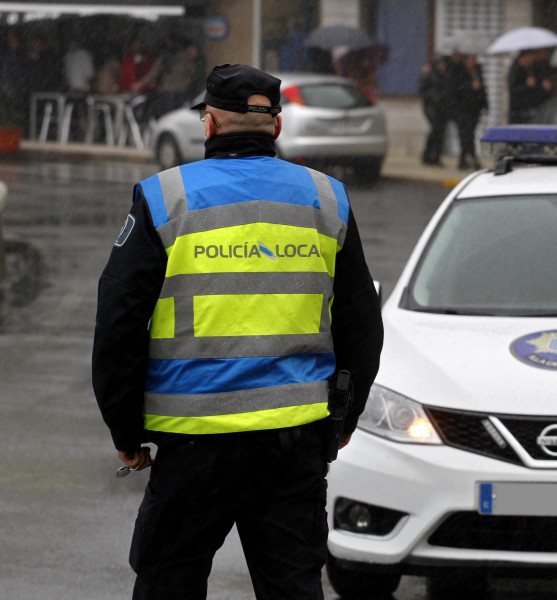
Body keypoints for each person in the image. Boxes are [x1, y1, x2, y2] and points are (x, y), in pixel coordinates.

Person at [92, 63, 384, 600]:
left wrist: (125, 431)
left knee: (168, 582)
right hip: (292, 444)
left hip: (193, 446)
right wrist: (342, 419)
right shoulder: (326, 199)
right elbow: (362, 323)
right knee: (292, 587)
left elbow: (119, 322)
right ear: (275, 127)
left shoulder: (164, 197)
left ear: (208, 125)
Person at [450, 53, 488, 170]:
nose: (473, 61)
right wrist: (470, 87)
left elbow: (483, 90)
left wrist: (486, 105)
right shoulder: (459, 72)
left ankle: (464, 160)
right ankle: (472, 159)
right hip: (462, 109)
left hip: (474, 109)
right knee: (465, 135)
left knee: (469, 134)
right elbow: (455, 89)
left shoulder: (478, 72)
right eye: (471, 59)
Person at [418, 55, 450, 166]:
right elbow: (423, 90)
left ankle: (435, 156)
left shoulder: (446, 75)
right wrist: (434, 97)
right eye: (440, 63)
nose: (442, 66)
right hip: (432, 107)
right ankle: (428, 155)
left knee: (439, 133)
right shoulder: (430, 74)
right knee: (435, 130)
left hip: (442, 108)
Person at [507, 50, 552, 124]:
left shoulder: (533, 69)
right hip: (518, 111)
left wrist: (544, 86)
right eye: (530, 57)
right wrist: (526, 86)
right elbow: (513, 90)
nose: (532, 60)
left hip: (531, 109)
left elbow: (537, 88)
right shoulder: (515, 70)